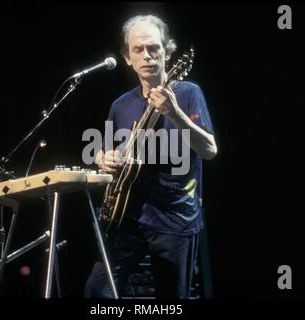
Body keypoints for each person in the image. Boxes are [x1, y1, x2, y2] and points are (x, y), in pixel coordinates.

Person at [84, 14, 217, 299]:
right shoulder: (120, 106)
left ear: (167, 52)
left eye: (154, 48)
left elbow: (209, 149)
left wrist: (174, 113)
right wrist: (102, 158)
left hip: (175, 219)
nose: (147, 55)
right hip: (127, 218)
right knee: (97, 291)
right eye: (138, 49)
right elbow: (107, 152)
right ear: (127, 58)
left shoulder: (188, 93)